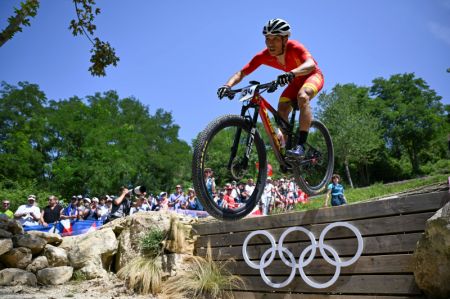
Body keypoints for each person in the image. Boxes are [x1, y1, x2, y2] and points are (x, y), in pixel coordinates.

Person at [217, 18, 324, 160]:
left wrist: (292, 73)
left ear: (285, 39)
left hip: (312, 76)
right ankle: (286, 148)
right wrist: (227, 85)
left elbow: (311, 64)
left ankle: (301, 146)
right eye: (267, 39)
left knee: (302, 96)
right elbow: (241, 73)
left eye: (275, 39)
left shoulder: (295, 47)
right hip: (294, 82)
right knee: (282, 109)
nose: (270, 43)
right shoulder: (264, 55)